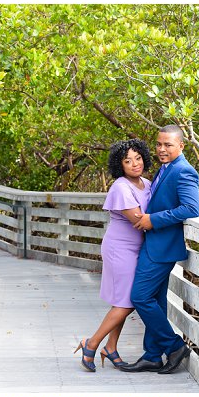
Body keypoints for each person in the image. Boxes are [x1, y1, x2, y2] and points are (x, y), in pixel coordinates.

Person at [115, 126, 199, 375]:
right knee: (156, 301)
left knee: (140, 297)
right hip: (154, 245)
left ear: (181, 146)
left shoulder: (184, 171)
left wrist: (154, 219)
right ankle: (152, 355)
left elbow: (191, 209)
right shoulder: (166, 168)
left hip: (163, 246)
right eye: (159, 144)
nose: (162, 149)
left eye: (168, 145)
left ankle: (174, 346)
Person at [76, 139, 153, 371]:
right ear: (120, 165)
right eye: (128, 161)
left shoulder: (146, 183)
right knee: (127, 301)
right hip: (120, 248)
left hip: (137, 248)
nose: (134, 164)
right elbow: (141, 221)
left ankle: (111, 347)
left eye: (138, 158)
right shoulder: (121, 187)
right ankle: (92, 343)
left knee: (123, 299)